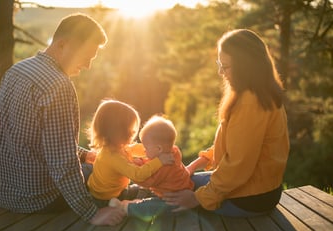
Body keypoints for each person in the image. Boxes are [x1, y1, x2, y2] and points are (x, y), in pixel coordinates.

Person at [0, 13, 125, 225]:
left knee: (95, 164)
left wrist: (85, 155)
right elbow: (62, 162)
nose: (87, 65)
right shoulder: (57, 84)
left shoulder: (17, 70)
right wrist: (92, 214)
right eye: (86, 56)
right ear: (62, 45)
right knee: (109, 172)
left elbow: (32, 140)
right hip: (37, 199)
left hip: (3, 192)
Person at [164, 29, 290, 217]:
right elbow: (234, 144)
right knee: (172, 183)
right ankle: (128, 196)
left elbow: (238, 165)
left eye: (225, 66)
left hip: (251, 198)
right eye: (219, 64)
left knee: (170, 197)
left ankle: (122, 204)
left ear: (245, 67)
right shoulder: (253, 92)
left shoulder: (251, 102)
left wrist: (199, 199)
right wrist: (198, 162)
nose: (220, 72)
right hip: (253, 189)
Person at [86, 100, 174, 208]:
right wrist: (159, 161)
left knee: (145, 190)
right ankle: (120, 207)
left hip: (116, 191)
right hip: (105, 199)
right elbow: (138, 175)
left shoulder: (118, 146)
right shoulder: (112, 156)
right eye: (130, 131)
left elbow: (137, 149)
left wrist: (159, 148)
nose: (132, 134)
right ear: (116, 131)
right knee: (148, 192)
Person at [109, 115, 194, 220]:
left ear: (158, 149)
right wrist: (141, 162)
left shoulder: (166, 166)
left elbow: (147, 182)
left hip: (173, 199)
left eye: (146, 147)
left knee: (154, 207)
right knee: (145, 193)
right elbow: (152, 163)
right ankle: (132, 200)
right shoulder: (173, 151)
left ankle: (125, 207)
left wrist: (132, 171)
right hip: (165, 189)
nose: (144, 150)